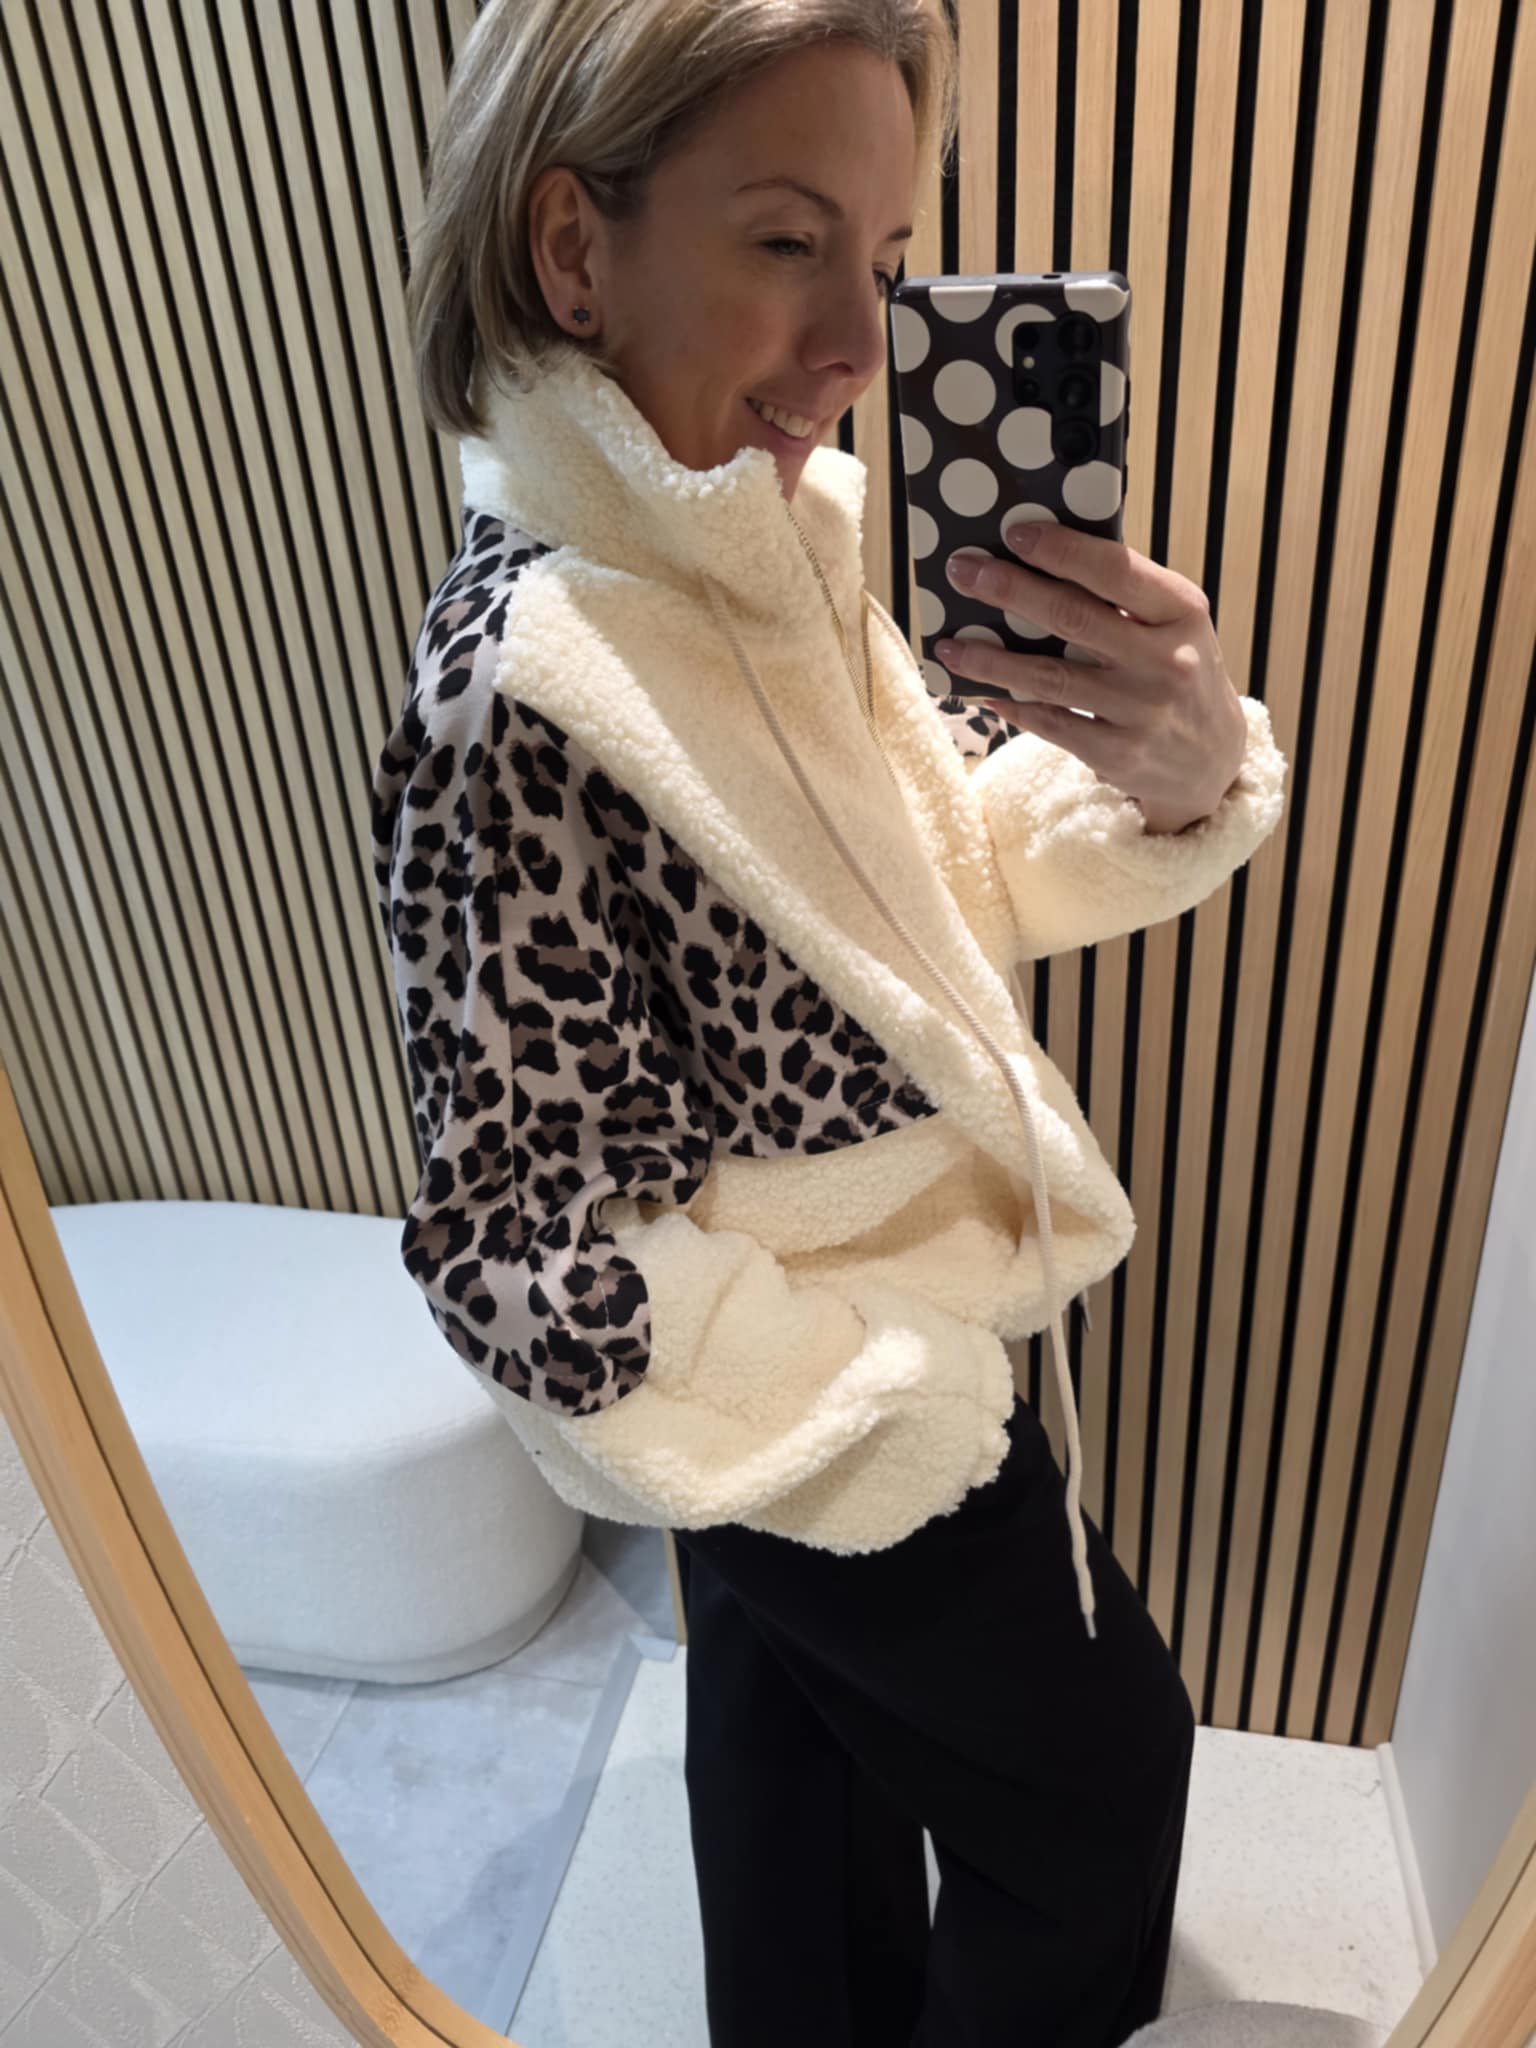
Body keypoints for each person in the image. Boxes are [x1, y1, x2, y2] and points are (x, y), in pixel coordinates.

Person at [370, 3, 1288, 2041]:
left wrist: (1169, 770)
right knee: (1105, 1777)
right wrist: (888, 1405)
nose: (861, 342)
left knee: (795, 1772)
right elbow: (522, 1252)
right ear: (574, 250)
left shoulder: (772, 533)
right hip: (818, 1387)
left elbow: (922, 878)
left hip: (859, 1332)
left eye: (882, 258)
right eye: (790, 242)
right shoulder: (518, 691)